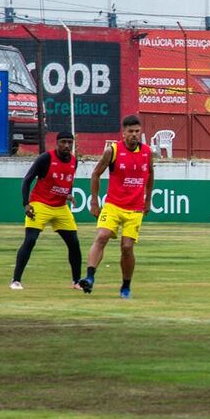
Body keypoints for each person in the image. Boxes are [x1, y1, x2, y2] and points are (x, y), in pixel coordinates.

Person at [79, 115, 154, 299]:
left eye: (137, 131)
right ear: (123, 133)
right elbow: (95, 174)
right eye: (131, 132)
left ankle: (126, 286)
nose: (134, 135)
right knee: (102, 235)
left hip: (135, 209)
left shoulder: (147, 152)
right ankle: (89, 277)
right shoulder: (112, 151)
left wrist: (148, 199)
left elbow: (151, 174)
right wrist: (94, 201)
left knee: (127, 247)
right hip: (113, 205)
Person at [9, 131, 82, 290]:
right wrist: (26, 204)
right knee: (30, 240)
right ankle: (15, 280)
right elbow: (27, 180)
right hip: (40, 204)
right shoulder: (46, 158)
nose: (67, 145)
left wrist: (68, 194)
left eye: (70, 142)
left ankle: (76, 282)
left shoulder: (74, 161)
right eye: (63, 142)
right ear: (57, 143)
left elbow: (68, 180)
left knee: (74, 244)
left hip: (60, 207)